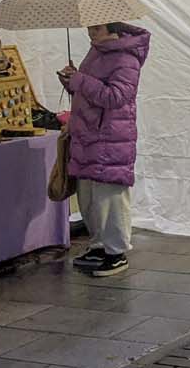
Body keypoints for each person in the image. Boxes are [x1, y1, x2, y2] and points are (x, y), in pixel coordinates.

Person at [57, 21, 149, 278]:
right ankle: (99, 245)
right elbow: (90, 92)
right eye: (89, 29)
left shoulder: (126, 57)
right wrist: (71, 81)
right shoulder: (97, 52)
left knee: (110, 197)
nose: (90, 33)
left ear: (113, 29)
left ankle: (116, 252)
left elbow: (116, 97)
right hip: (89, 136)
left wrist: (80, 80)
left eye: (96, 29)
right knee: (89, 197)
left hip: (110, 138)